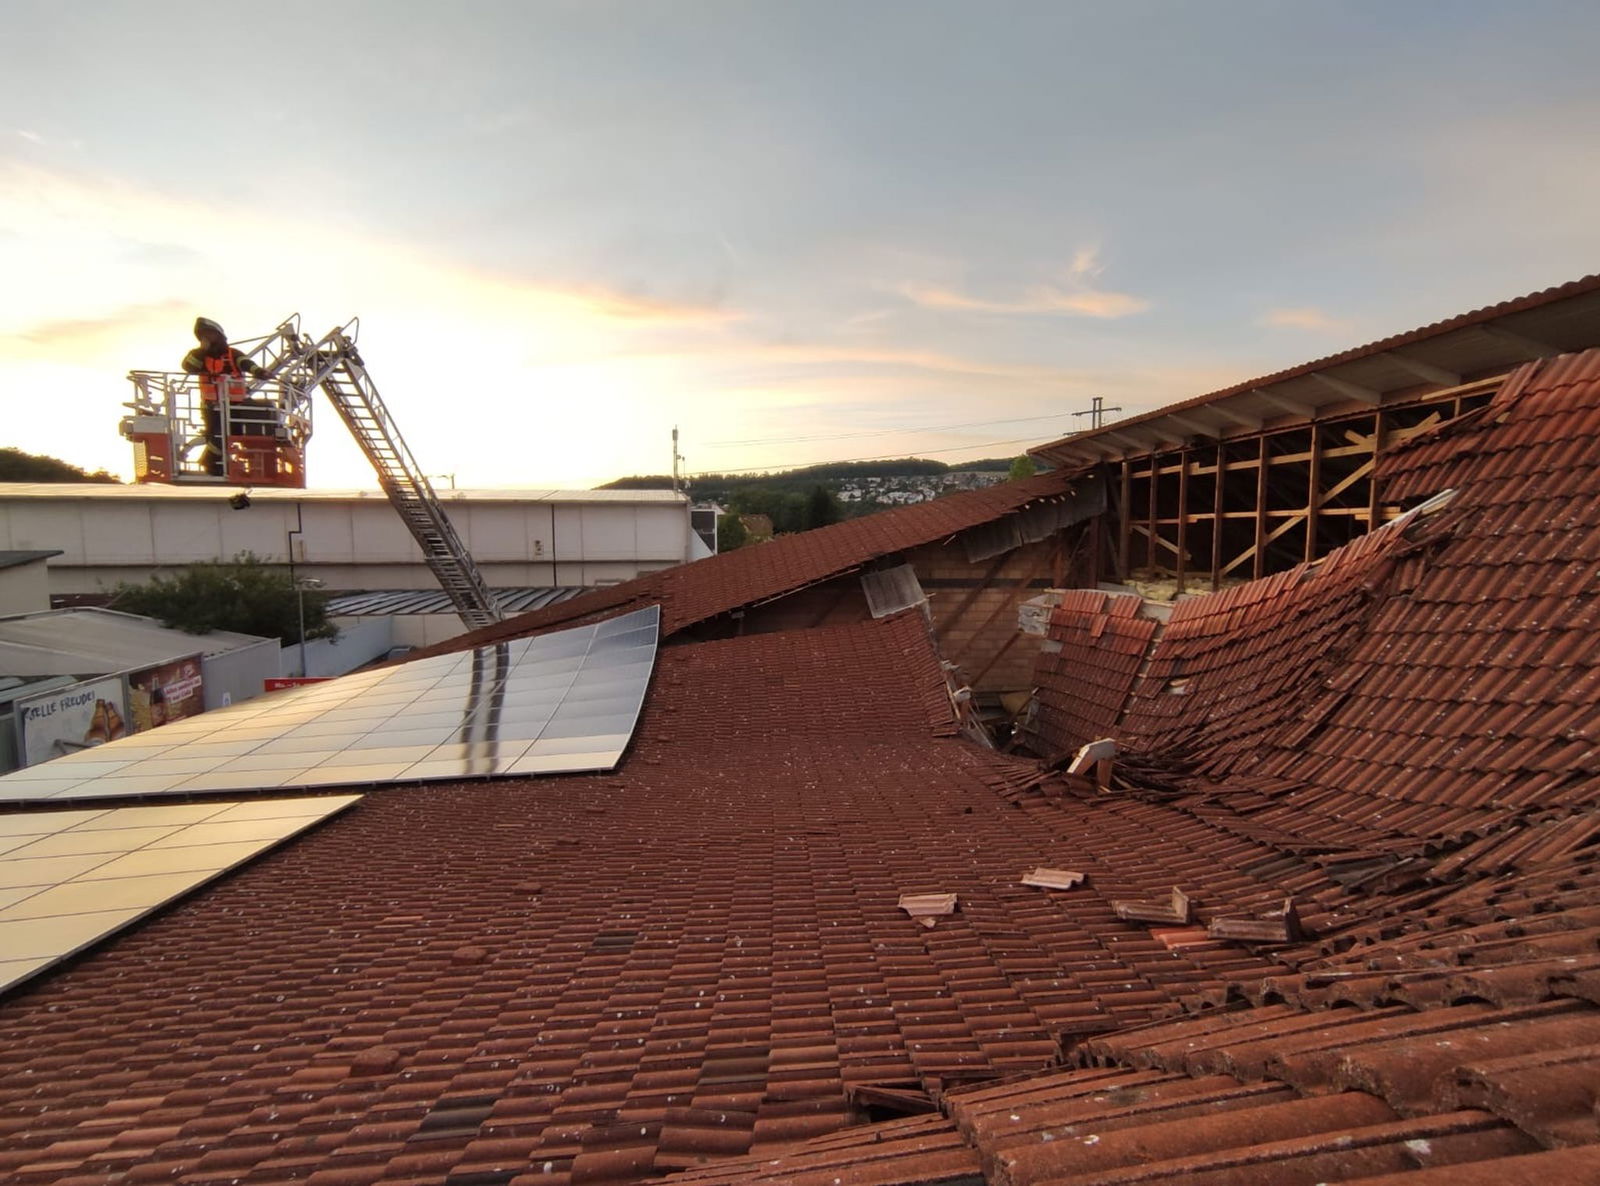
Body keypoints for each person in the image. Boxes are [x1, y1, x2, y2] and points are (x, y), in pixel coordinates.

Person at [181, 317, 269, 476]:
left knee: (231, 432)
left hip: (235, 404)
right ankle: (211, 463)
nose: (206, 338)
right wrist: (202, 351)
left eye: (209, 334)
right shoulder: (197, 355)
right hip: (211, 405)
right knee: (216, 435)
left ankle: (211, 461)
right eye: (203, 335)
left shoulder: (233, 354)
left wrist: (260, 372)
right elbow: (189, 367)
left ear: (218, 335)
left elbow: (247, 364)